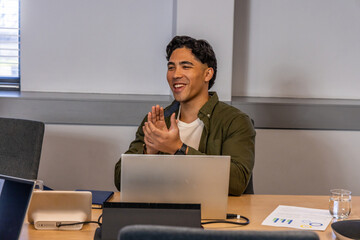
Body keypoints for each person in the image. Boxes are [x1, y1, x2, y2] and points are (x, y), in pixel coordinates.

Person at [114, 35, 255, 196]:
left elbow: (237, 182)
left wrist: (178, 148)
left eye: (186, 67)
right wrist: (149, 152)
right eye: (171, 67)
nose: (175, 75)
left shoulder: (235, 121)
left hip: (216, 218)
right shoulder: (156, 120)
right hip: (165, 213)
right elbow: (121, 181)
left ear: (207, 74)